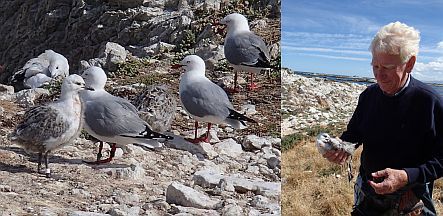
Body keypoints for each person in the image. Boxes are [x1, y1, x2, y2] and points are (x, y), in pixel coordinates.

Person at [323, 21, 443, 215]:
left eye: (387, 67)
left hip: (411, 197)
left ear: (409, 64)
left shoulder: (431, 102)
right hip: (368, 191)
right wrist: (342, 147)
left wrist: (406, 176)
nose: (379, 76)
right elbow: (354, 133)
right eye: (375, 66)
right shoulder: (368, 96)